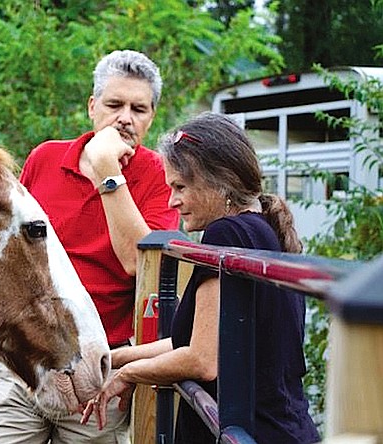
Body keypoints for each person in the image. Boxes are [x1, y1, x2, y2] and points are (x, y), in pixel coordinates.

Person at [0, 50, 179, 443]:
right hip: (24, 364)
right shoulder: (45, 158)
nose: (125, 118)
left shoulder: (159, 176)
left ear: (152, 115)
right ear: (92, 106)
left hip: (98, 373)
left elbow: (137, 262)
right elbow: (7, 251)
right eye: (114, 104)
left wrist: (107, 171)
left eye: (139, 108)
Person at [81, 112, 321, 444]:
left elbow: (201, 359)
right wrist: (119, 357)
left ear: (219, 181)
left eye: (180, 187)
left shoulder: (227, 233)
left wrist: (128, 375)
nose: (172, 201)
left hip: (249, 431)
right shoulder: (262, 229)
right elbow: (198, 339)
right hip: (282, 428)